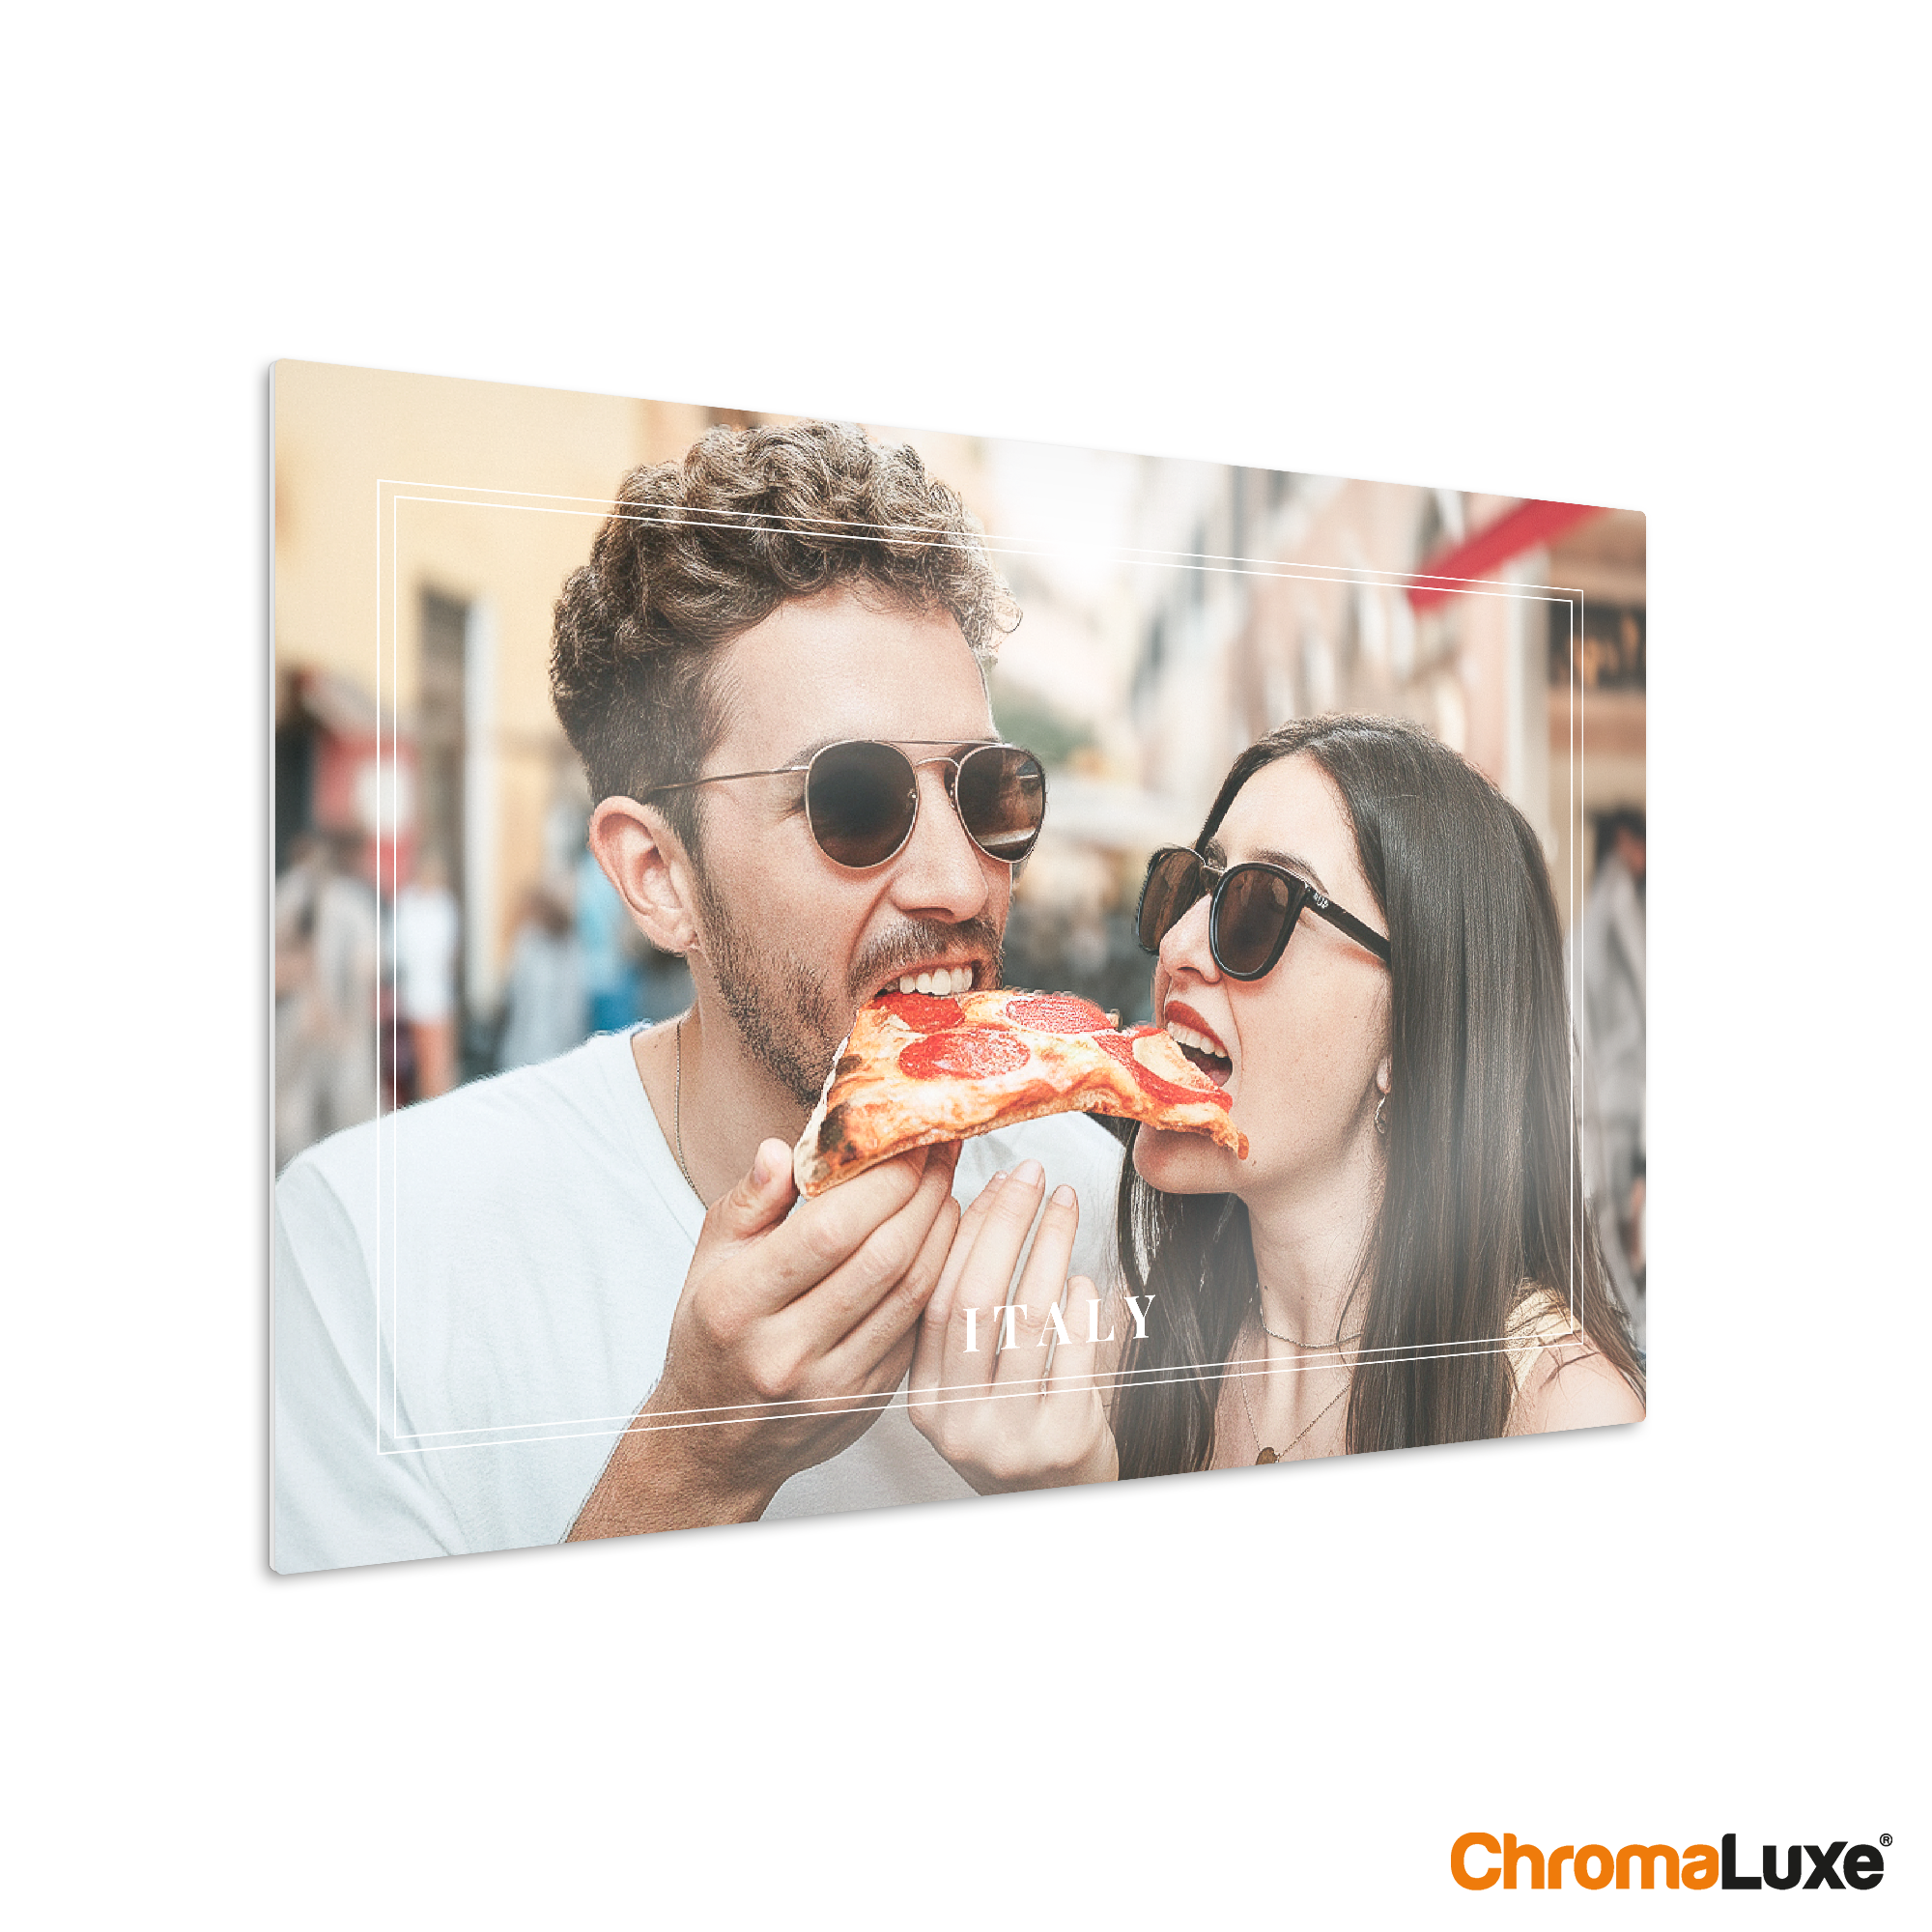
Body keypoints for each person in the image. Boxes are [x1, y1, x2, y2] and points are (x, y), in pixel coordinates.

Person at [271, 422, 1123, 1572]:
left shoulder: (1090, 1197)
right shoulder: (366, 1244)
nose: (962, 876)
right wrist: (696, 1456)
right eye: (855, 800)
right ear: (656, 876)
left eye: (988, 789)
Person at [907, 715, 1644, 1491]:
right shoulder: (1121, 1344)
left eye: (1260, 906)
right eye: (1193, 887)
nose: (1179, 945)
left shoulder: (1561, 1410)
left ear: (1413, 1031)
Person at [1578, 809, 1648, 1357]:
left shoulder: (1609, 902)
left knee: (1620, 1245)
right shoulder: (1616, 899)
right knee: (1622, 1245)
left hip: (1617, 1100)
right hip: (1621, 1102)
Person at [495, 882, 586, 1070]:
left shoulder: (529, 943)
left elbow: (512, 994)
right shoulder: (569, 945)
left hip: (530, 1053)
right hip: (555, 1053)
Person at [393, 850, 462, 1099]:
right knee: (418, 1065)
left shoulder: (444, 905)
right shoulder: (407, 903)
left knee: (439, 1066)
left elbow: (448, 953)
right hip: (413, 997)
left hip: (438, 996)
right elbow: (398, 951)